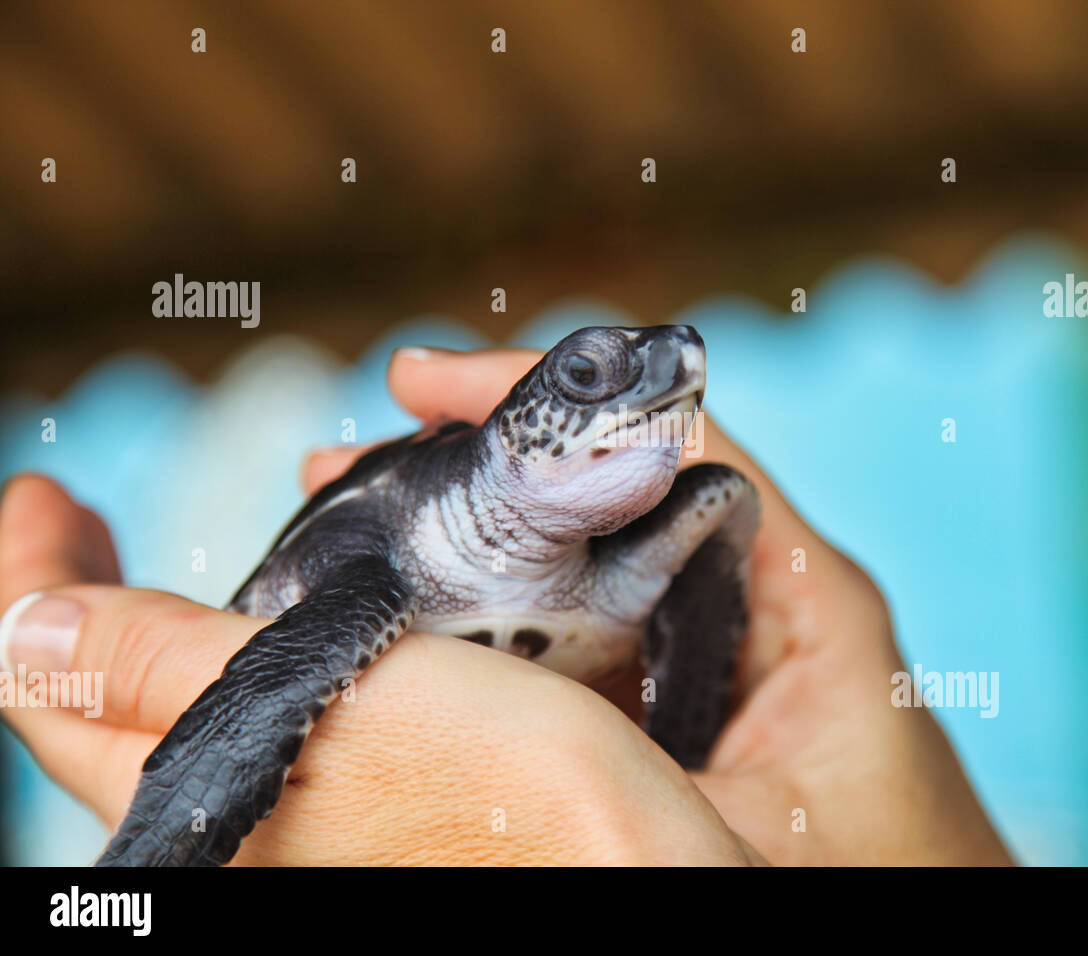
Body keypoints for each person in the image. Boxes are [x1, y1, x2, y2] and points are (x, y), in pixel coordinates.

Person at [0, 346, 1011, 866]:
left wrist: (691, 797)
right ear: (512, 430)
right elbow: (250, 709)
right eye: (588, 375)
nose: (662, 380)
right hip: (358, 579)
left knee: (723, 500)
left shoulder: (664, 531)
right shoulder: (389, 551)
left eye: (667, 381)